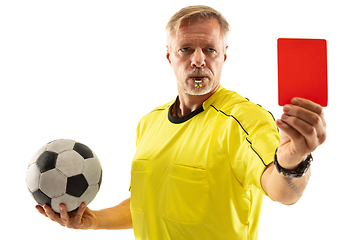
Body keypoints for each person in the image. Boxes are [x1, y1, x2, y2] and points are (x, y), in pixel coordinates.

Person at [36, 5, 327, 240]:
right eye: (185, 49)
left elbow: (283, 192)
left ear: (224, 56)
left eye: (210, 49)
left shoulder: (242, 119)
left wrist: (295, 159)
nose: (198, 59)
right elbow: (146, 206)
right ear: (169, 57)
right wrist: (94, 221)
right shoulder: (149, 124)